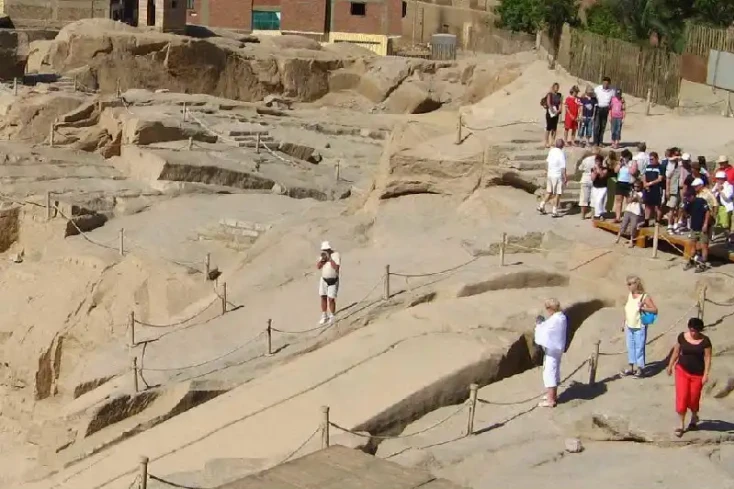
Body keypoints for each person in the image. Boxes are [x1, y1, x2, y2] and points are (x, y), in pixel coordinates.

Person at [666, 317, 712, 438]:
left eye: (695, 331)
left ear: (699, 330)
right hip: (682, 370)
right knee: (682, 397)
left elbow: (707, 358)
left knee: (694, 398)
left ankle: (694, 417)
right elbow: (676, 352)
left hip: (697, 374)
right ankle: (681, 425)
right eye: (691, 330)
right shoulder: (682, 337)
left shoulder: (705, 341)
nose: (692, 333)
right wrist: (670, 365)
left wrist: (706, 374)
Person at [621, 275, 657, 378]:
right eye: (627, 284)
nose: (628, 286)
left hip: (639, 326)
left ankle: (640, 368)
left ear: (636, 284)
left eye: (630, 284)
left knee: (639, 347)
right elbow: (628, 310)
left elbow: (655, 310)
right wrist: (624, 322)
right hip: (629, 325)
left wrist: (643, 308)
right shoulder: (630, 295)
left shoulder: (644, 297)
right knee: (630, 346)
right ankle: (631, 367)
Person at [534, 298, 567, 408]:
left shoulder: (557, 319)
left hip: (553, 350)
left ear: (550, 308)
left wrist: (539, 324)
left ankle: (551, 400)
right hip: (556, 349)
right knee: (554, 371)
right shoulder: (560, 317)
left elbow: (546, 331)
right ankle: (552, 395)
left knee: (550, 372)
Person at [682, 188, 711, 273]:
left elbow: (707, 212)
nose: (687, 198)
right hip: (694, 227)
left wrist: (705, 224)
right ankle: (691, 261)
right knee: (693, 246)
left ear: (693, 196)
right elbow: (687, 215)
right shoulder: (688, 204)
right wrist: (683, 208)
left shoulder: (701, 201)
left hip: (702, 227)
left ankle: (703, 264)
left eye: (688, 197)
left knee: (704, 246)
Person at [537, 139, 567, 218]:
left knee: (549, 192)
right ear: (562, 145)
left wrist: (547, 171)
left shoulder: (551, 151)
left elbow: (547, 162)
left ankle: (541, 205)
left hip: (550, 174)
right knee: (558, 193)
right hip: (557, 176)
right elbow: (563, 167)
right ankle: (554, 211)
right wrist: (565, 177)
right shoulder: (562, 153)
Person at [316, 241, 341, 325]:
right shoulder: (322, 256)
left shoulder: (336, 255)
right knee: (323, 297)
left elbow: (336, 267)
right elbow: (318, 267)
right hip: (323, 280)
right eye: (323, 250)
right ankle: (324, 315)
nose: (325, 251)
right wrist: (322, 261)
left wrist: (330, 259)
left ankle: (332, 315)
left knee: (331, 299)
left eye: (326, 249)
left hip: (333, 280)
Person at [616, 180, 644, 247]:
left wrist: (635, 196)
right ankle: (618, 238)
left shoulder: (641, 193)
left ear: (641, 187)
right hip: (628, 210)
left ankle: (631, 241)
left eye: (638, 187)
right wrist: (631, 195)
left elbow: (641, 201)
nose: (636, 188)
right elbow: (628, 201)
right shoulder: (631, 192)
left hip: (636, 212)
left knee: (633, 226)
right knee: (624, 224)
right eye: (635, 186)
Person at [712, 170, 734, 247]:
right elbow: (712, 193)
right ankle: (727, 239)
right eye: (717, 178)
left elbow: (727, 198)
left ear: (724, 179)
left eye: (719, 178)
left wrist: (720, 191)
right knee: (720, 225)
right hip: (719, 207)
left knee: (726, 226)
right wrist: (716, 190)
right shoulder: (717, 185)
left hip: (726, 208)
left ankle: (729, 240)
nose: (717, 180)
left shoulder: (729, 186)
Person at [642, 151, 664, 225]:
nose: (651, 161)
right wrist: (645, 184)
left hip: (656, 188)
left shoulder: (660, 167)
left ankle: (657, 221)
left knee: (657, 205)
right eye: (650, 159)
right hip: (648, 188)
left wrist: (650, 183)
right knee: (647, 205)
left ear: (657, 158)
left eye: (652, 159)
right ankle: (646, 221)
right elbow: (644, 175)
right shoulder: (648, 167)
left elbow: (660, 178)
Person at [577, 146, 598, 219]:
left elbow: (580, 168)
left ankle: (582, 215)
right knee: (593, 198)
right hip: (595, 179)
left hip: (585, 178)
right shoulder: (599, 160)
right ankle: (593, 215)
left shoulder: (586, 159)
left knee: (583, 198)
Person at [613, 150, 633, 222]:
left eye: (624, 156)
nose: (623, 158)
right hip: (620, 182)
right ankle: (618, 217)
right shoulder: (621, 163)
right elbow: (615, 171)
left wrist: (626, 164)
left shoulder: (631, 163)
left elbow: (632, 171)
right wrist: (620, 164)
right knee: (618, 201)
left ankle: (627, 218)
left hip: (628, 183)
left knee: (628, 202)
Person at [593, 76, 614, 146]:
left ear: (609, 84)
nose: (605, 85)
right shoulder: (597, 89)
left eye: (607, 83)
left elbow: (614, 99)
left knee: (603, 126)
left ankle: (601, 142)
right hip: (598, 108)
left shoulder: (612, 91)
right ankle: (595, 142)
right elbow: (591, 95)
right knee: (596, 125)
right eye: (604, 83)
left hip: (606, 109)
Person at [665, 150, 682, 233]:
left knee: (679, 208)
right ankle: (669, 225)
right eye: (676, 155)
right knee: (671, 208)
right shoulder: (671, 164)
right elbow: (668, 178)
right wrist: (667, 190)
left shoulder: (681, 164)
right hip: (673, 189)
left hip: (681, 189)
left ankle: (676, 224)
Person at [591, 154, 610, 219]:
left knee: (599, 200)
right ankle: (600, 214)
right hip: (595, 187)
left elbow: (602, 175)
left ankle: (598, 215)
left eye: (598, 161)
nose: (597, 163)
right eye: (596, 161)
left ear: (601, 162)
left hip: (603, 187)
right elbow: (592, 179)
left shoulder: (605, 169)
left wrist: (598, 168)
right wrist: (594, 172)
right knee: (596, 201)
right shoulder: (593, 169)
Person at [543, 83, 562, 148]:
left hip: (556, 112)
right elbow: (548, 103)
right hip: (550, 112)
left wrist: (559, 110)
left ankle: (552, 141)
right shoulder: (549, 94)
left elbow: (560, 103)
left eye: (558, 87)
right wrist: (552, 110)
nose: (557, 88)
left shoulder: (559, 95)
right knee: (548, 127)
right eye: (556, 87)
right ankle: (546, 141)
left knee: (554, 128)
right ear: (553, 87)